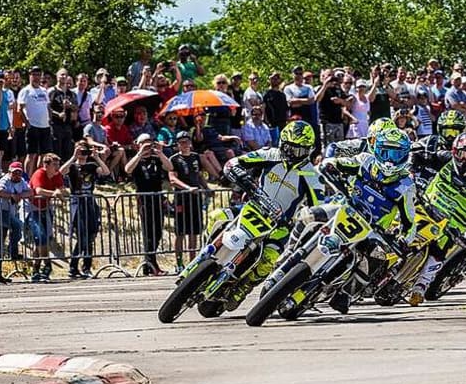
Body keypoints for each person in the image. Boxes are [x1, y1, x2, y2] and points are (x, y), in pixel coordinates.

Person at [219, 120, 324, 308]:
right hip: (253, 207)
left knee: (269, 258)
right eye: (290, 148)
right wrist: (241, 177)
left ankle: (246, 285)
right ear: (282, 142)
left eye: (299, 150)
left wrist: (307, 218)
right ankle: (204, 256)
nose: (293, 154)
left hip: (281, 224)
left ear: (308, 150)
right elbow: (235, 163)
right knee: (217, 216)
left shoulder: (311, 174)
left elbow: (318, 206)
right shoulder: (270, 154)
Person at [315, 128, 417, 313]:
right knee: (310, 215)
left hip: (372, 230)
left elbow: (409, 222)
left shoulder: (406, 186)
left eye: (396, 155)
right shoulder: (365, 160)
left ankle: (346, 294)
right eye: (385, 152)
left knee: (378, 256)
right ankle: (289, 253)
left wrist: (404, 240)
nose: (389, 160)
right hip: (346, 207)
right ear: (376, 150)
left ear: (405, 156)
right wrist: (330, 164)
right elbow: (339, 162)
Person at [408, 131, 466, 305]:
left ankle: (421, 286)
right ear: (454, 151)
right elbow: (416, 155)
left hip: (451, 225)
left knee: (441, 248)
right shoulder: (444, 158)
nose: (465, 160)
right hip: (425, 207)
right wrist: (411, 171)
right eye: (462, 154)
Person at [61, 141, 110, 279]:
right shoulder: (72, 166)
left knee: (91, 234)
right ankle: (74, 265)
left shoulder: (92, 166)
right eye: (80, 151)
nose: (82, 154)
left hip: (90, 201)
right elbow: (61, 172)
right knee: (82, 235)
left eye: (84, 151)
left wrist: (97, 157)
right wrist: (73, 156)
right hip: (77, 201)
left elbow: (106, 172)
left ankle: (86, 267)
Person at [125, 134, 173, 276]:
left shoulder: (156, 159)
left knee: (157, 232)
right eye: (144, 143)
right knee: (148, 233)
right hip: (144, 199)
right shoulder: (137, 160)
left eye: (149, 143)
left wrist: (160, 152)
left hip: (157, 197)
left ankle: (149, 264)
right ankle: (151, 265)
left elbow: (169, 167)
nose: (147, 147)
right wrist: (140, 153)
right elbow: (127, 169)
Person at [168, 131, 208, 271]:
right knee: (180, 232)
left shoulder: (196, 157)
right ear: (177, 144)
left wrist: (206, 188)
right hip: (181, 198)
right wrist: (188, 188)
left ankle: (192, 263)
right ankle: (179, 263)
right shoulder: (174, 159)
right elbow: (172, 179)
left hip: (195, 198)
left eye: (187, 141)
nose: (185, 144)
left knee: (194, 231)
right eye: (182, 142)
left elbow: (199, 175)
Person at [27, 153, 69, 282]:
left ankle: (36, 269)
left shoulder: (57, 175)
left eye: (58, 164)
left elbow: (62, 189)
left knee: (42, 240)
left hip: (46, 209)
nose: (57, 167)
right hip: (32, 209)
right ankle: (47, 265)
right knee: (41, 237)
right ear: (46, 165)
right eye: (54, 165)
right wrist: (55, 193)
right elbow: (38, 191)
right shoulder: (39, 174)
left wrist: (62, 192)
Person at [0, 161, 31, 283]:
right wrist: (12, 195)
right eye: (14, 173)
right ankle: (13, 252)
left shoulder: (21, 181)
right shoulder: (5, 180)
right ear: (9, 172)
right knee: (17, 225)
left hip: (8, 211)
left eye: (19, 173)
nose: (17, 175)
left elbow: (30, 192)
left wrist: (20, 195)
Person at [18, 66, 51, 175]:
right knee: (31, 154)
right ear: (30, 76)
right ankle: (28, 178)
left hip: (45, 126)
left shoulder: (44, 91)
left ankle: (38, 176)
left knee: (44, 154)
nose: (36, 77)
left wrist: (49, 119)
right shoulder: (26, 91)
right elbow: (20, 108)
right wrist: (27, 123)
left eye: (38, 75)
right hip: (33, 126)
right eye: (34, 75)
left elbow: (47, 106)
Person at [48, 69, 78, 161]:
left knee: (67, 152)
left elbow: (76, 108)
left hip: (67, 126)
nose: (64, 77)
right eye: (61, 75)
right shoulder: (51, 91)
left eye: (65, 75)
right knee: (56, 151)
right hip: (55, 125)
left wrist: (70, 105)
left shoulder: (71, 94)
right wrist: (58, 114)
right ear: (57, 76)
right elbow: (46, 108)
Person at [262, 71, 288, 146]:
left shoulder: (282, 94)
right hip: (272, 123)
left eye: (277, 78)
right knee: (273, 143)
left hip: (282, 123)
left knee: (282, 143)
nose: (275, 80)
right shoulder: (266, 94)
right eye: (273, 78)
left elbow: (286, 109)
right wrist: (266, 121)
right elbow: (264, 108)